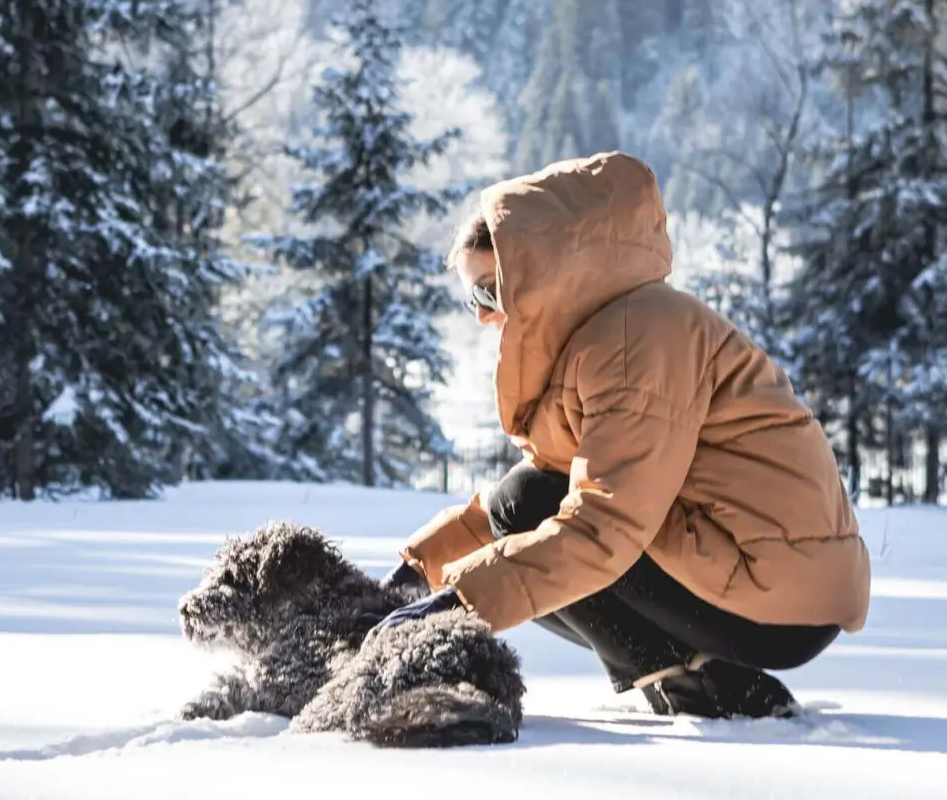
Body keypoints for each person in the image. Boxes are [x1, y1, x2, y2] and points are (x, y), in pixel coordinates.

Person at [368, 151, 871, 720]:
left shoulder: (636, 339)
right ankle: (704, 676)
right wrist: (413, 575)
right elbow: (545, 486)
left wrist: (455, 603)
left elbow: (602, 523)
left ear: (538, 275)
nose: (483, 316)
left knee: (533, 510)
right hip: (765, 574)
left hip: (780, 594)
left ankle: (688, 679)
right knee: (525, 503)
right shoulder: (605, 334)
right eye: (472, 300)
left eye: (489, 293)